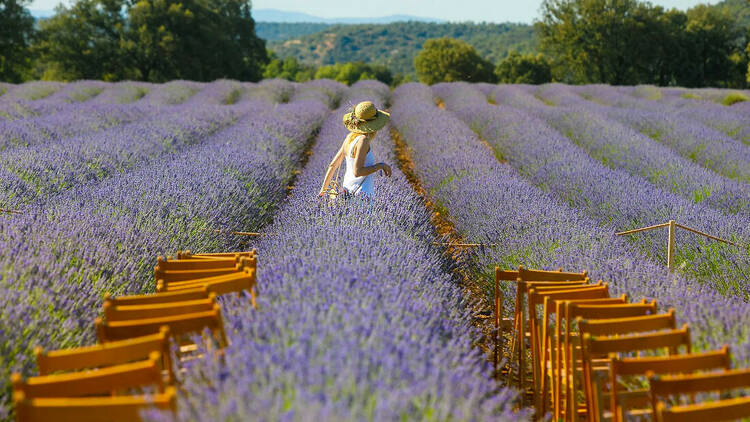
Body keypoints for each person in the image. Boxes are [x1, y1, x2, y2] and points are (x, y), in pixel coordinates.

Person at [318, 101, 392, 198]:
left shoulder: (349, 138)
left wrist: (323, 191)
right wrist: (380, 166)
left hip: (346, 191)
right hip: (362, 194)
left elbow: (333, 165)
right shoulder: (363, 140)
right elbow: (357, 172)